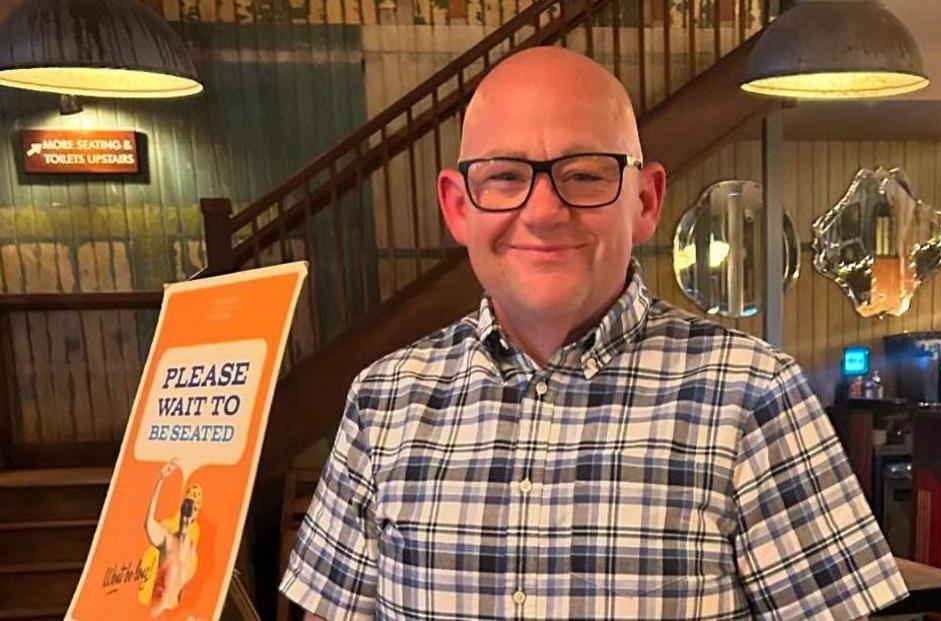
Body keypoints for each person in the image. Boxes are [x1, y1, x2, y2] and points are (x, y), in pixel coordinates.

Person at [281, 45, 906, 620]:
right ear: (458, 206)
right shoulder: (383, 399)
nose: (545, 210)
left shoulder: (754, 395)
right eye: (504, 176)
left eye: (584, 175)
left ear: (645, 200)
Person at [143, 459, 202, 617]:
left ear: (195, 516)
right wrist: (160, 479)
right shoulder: (168, 540)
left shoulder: (192, 553)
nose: (186, 517)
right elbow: (148, 522)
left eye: (191, 511)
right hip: (155, 613)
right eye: (185, 509)